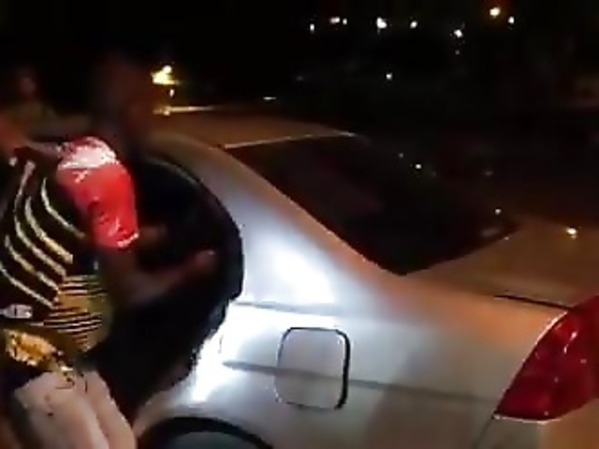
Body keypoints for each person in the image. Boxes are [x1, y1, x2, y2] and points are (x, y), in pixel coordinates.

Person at [0, 56, 218, 449]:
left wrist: (161, 236)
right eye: (149, 110)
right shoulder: (107, 176)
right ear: (130, 111)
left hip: (71, 360)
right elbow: (130, 290)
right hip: (34, 364)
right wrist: (191, 269)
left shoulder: (74, 156)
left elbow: (93, 238)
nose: (153, 122)